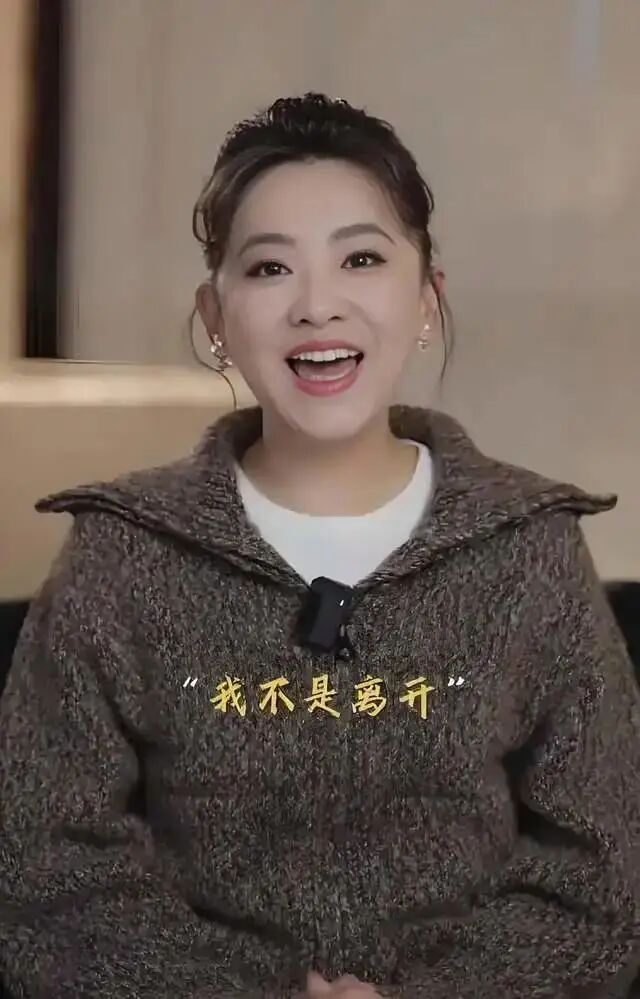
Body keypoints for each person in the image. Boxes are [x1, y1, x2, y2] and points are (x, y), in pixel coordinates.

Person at [1, 92, 639, 999]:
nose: (317, 306)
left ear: (427, 298)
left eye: (361, 258)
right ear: (215, 317)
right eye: (270, 268)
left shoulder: (529, 547)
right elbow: (45, 880)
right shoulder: (120, 554)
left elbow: (602, 878)